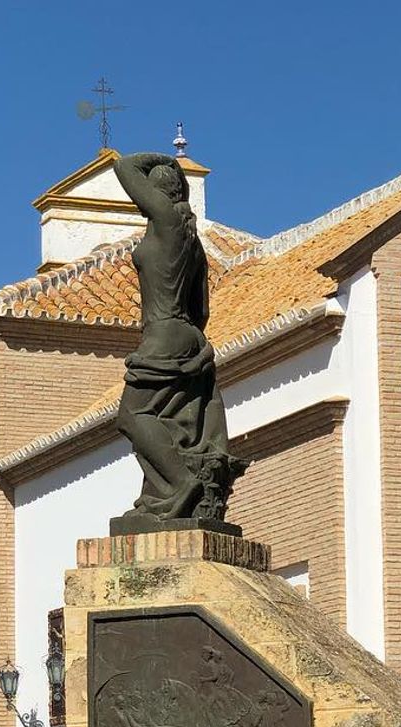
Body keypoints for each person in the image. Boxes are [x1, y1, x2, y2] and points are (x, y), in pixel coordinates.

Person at [113, 152, 238, 521]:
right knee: (168, 419)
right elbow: (202, 310)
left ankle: (182, 484)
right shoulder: (193, 242)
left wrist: (166, 160)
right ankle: (161, 495)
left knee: (132, 415)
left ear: (157, 194)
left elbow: (123, 167)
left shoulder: (166, 220)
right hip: (188, 334)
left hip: (163, 333)